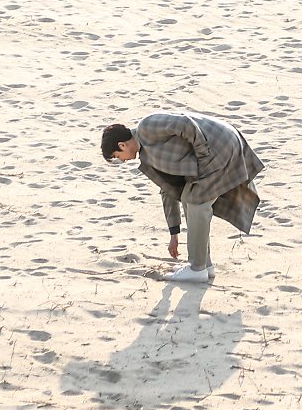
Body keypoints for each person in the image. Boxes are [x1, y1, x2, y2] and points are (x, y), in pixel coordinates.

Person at [101, 110, 264, 284]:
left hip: (220, 144)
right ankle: (204, 265)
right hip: (211, 155)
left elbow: (184, 124)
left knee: (197, 202)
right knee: (189, 198)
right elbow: (168, 191)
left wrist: (203, 153)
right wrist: (174, 233)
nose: (122, 161)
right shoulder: (147, 159)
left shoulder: (147, 126)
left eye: (118, 157)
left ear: (122, 145)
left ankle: (197, 268)